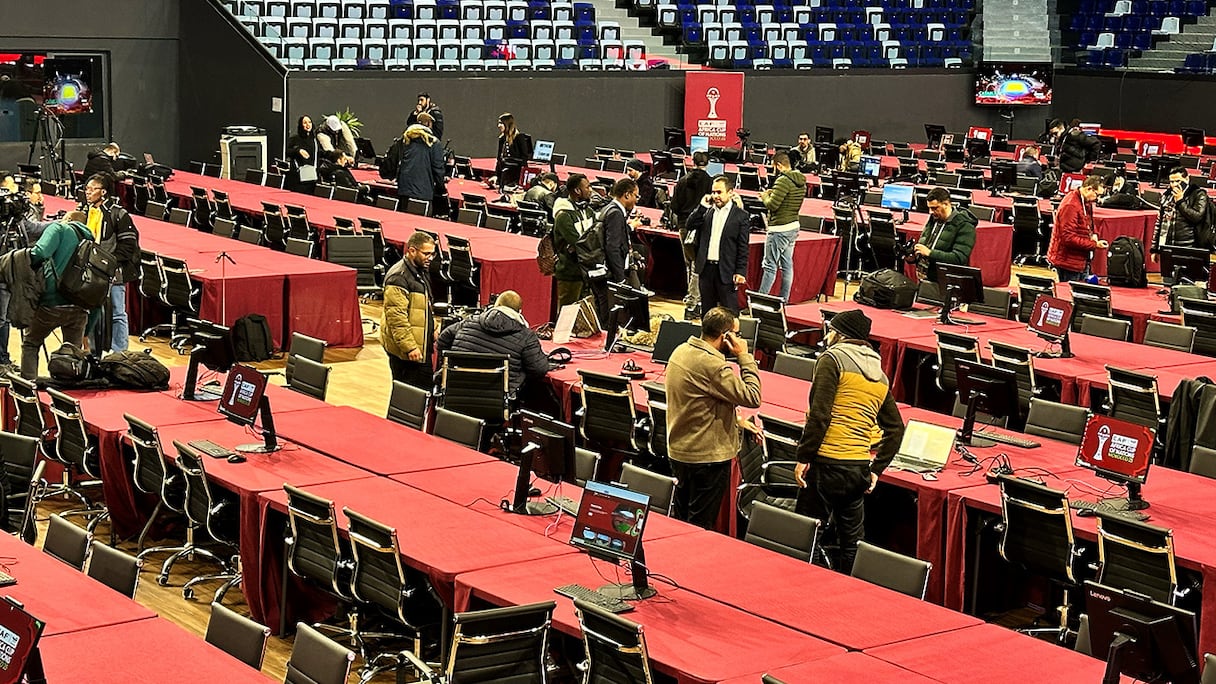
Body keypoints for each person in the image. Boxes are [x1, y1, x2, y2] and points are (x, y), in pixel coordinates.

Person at [794, 309, 904, 573]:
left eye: (831, 331)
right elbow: (896, 428)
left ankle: (806, 584)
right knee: (852, 543)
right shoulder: (880, 376)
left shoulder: (831, 360)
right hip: (857, 469)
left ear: (841, 335)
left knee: (807, 537)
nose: (827, 336)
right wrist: (876, 469)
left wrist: (803, 457)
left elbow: (820, 416)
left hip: (825, 464)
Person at [665, 306, 762, 529]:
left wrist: (736, 421)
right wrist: (744, 356)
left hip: (679, 451)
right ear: (725, 336)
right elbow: (753, 396)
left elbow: (696, 402)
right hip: (706, 459)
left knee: (681, 522)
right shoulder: (713, 365)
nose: (739, 339)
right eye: (737, 334)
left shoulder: (680, 351)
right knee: (699, 527)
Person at [20, 213, 93, 379]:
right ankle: (66, 388)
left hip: (51, 302)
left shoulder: (59, 228)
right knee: (72, 353)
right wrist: (87, 330)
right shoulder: (91, 240)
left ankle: (27, 386)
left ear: (67, 219)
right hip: (80, 306)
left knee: (31, 343)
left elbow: (40, 253)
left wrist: (20, 262)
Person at [436, 290, 548, 396]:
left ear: (496, 305)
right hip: (497, 401)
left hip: (455, 394)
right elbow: (539, 370)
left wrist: (447, 362)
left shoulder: (469, 321)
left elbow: (442, 339)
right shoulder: (526, 336)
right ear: (519, 312)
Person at [80, 173, 139, 354]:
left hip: (113, 272)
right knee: (90, 311)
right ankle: (92, 349)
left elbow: (128, 245)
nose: (88, 192)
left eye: (92, 189)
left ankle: (120, 351)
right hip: (90, 272)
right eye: (86, 189)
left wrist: (109, 263)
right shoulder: (85, 212)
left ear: (103, 192)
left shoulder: (118, 214)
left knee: (117, 312)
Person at [687, 174, 750, 314]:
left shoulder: (741, 216)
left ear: (730, 192)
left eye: (719, 192)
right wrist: (702, 207)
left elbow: (743, 247)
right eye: (713, 192)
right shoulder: (706, 212)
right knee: (707, 312)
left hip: (726, 271)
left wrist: (740, 271)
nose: (715, 196)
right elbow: (689, 225)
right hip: (706, 269)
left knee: (729, 312)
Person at [382, 231, 437, 390]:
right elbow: (396, 318)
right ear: (412, 251)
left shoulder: (420, 271)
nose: (430, 258)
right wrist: (410, 347)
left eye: (432, 254)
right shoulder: (399, 277)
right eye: (426, 254)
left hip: (421, 344)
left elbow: (424, 306)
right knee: (409, 394)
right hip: (408, 352)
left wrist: (433, 328)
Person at [758, 151, 807, 302]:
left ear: (778, 165)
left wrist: (765, 196)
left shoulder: (782, 180)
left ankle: (759, 301)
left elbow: (772, 205)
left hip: (779, 228)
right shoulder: (800, 181)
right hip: (793, 226)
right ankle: (783, 300)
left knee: (770, 266)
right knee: (787, 266)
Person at [906, 187, 976, 282]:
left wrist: (930, 253)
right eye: (929, 208)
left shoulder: (965, 225)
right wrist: (914, 256)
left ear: (946, 204)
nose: (930, 212)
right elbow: (925, 246)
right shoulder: (933, 219)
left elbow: (959, 258)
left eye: (934, 208)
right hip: (925, 277)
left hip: (945, 281)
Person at [1046, 174, 1108, 283]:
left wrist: (1093, 235)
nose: (1097, 199)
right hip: (1068, 262)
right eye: (1097, 195)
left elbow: (1087, 224)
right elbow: (1068, 238)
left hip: (1079, 260)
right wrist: (1094, 244)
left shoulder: (1085, 202)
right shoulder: (1071, 205)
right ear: (1089, 189)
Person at [552, 174, 596, 307]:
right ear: (577, 190)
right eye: (587, 187)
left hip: (588, 273)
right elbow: (577, 243)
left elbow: (597, 237)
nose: (591, 190)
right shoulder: (563, 216)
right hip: (570, 273)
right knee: (567, 313)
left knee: (586, 314)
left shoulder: (589, 211)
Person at [1152, 166, 1214, 257]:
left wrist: (1180, 201)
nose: (1174, 185)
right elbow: (1159, 222)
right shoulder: (1167, 196)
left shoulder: (1198, 194)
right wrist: (1155, 249)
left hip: (1190, 246)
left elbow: (1197, 217)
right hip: (1167, 246)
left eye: (1178, 181)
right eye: (1172, 182)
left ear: (1187, 179)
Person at [395, 112, 446, 211]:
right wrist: (441, 189)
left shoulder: (405, 139)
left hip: (404, 190)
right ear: (428, 124)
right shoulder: (433, 143)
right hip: (423, 192)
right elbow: (438, 169)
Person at [602, 177, 643, 287]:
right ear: (627, 195)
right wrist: (620, 279)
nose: (636, 200)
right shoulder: (616, 214)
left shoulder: (609, 209)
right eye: (636, 196)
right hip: (613, 274)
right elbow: (612, 248)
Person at [494, 113, 532, 188]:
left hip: (515, 174)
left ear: (507, 124)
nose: (498, 126)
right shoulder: (502, 139)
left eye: (501, 123)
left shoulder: (519, 137)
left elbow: (524, 157)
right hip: (504, 174)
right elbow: (499, 159)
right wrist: (496, 176)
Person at [286, 115, 320, 194]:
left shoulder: (314, 140)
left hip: (312, 176)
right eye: (305, 123)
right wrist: (298, 151)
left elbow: (320, 153)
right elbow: (287, 151)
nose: (308, 125)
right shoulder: (295, 139)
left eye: (309, 122)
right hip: (298, 177)